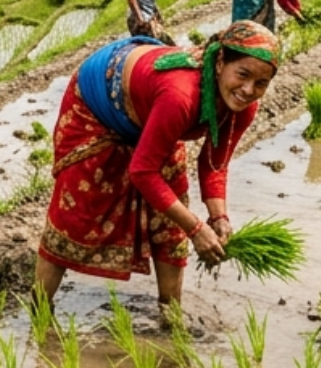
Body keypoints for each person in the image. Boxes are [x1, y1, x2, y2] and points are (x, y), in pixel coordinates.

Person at [35, 21, 279, 320]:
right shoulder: (181, 96)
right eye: (242, 75)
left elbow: (215, 163)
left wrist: (219, 217)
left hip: (152, 107)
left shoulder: (244, 105)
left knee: (171, 218)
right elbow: (143, 171)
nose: (248, 90)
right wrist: (196, 228)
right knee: (78, 209)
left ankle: (171, 314)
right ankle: (39, 306)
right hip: (98, 101)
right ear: (219, 62)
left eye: (261, 83)